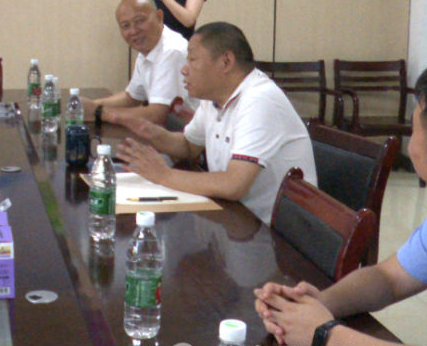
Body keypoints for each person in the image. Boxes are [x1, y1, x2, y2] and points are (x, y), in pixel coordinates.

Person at [254, 51, 427, 346]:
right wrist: (321, 303)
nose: (410, 142)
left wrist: (324, 333)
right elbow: (389, 278)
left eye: (414, 130)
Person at [116, 22, 316, 224]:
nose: (184, 69)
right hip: (234, 217)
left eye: (192, 59)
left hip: (273, 231)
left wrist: (164, 175)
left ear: (226, 62)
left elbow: (234, 185)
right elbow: (189, 146)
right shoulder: (213, 98)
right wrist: (154, 134)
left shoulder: (259, 99)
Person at [82, 0, 197, 128]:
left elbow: (157, 115)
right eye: (126, 26)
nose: (133, 31)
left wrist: (98, 112)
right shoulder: (149, 48)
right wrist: (91, 105)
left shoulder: (171, 51)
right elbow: (132, 97)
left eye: (140, 21)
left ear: (159, 17)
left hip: (190, 136)